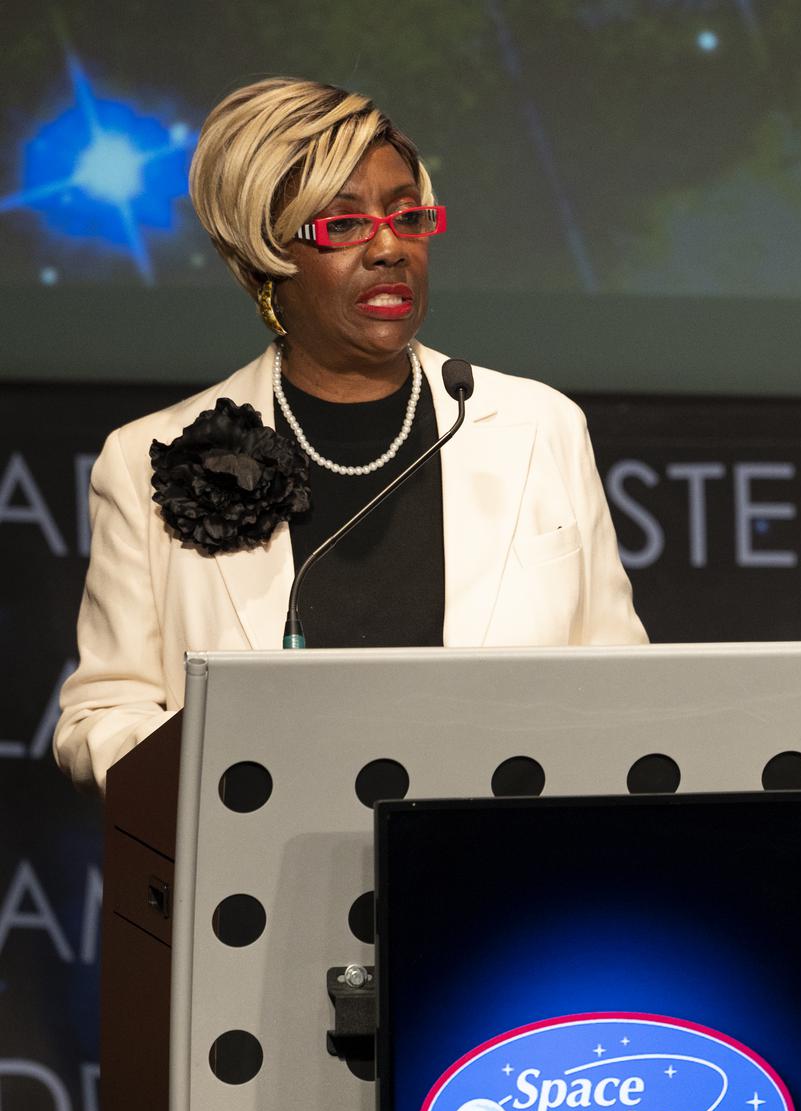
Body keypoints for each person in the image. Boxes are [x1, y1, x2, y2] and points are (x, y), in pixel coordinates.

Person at [54, 77, 647, 793]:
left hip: (497, 868)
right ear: (264, 258)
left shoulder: (538, 424)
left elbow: (623, 683)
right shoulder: (148, 455)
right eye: (343, 227)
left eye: (408, 217)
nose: (390, 248)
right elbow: (103, 711)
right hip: (264, 876)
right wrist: (225, 777)